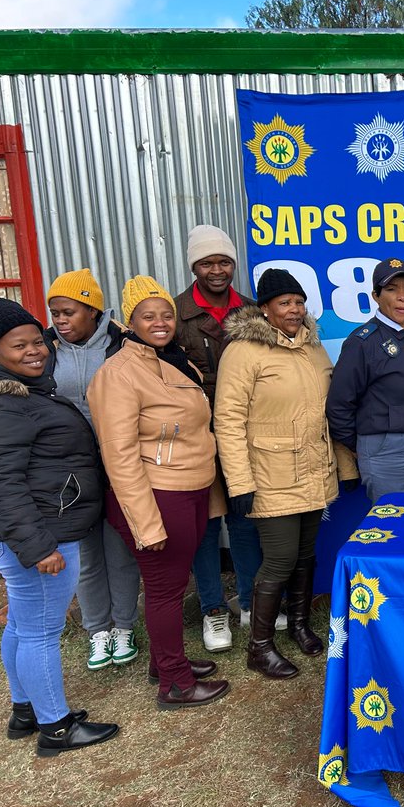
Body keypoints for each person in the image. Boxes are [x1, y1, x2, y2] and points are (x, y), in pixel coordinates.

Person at [0, 297, 118, 755]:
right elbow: (0, 483)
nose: (34, 351)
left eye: (37, 340)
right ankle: (56, 727)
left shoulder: (22, 392)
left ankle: (26, 711)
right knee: (41, 630)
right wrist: (39, 547)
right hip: (39, 533)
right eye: (18, 345)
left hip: (31, 528)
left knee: (22, 625)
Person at [88, 276, 230, 710]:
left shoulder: (173, 362)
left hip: (187, 489)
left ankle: (164, 662)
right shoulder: (118, 372)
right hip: (157, 495)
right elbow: (119, 454)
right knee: (166, 589)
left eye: (167, 314)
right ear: (128, 322)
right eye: (148, 315)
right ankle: (175, 684)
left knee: (167, 585)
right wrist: (145, 521)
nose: (161, 322)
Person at [215, 267, 359, 679]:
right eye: (284, 303)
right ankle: (260, 647)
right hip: (270, 474)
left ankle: (298, 625)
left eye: (298, 302)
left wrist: (344, 465)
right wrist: (240, 481)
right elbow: (228, 420)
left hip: (314, 471)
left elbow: (330, 414)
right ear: (264, 309)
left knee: (305, 554)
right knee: (278, 558)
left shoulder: (313, 348)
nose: (294, 310)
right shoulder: (243, 351)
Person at [44, 268, 141, 672]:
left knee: (120, 549)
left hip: (115, 462)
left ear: (92, 311)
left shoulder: (122, 344)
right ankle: (97, 630)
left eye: (68, 312)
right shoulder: (45, 348)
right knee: (86, 555)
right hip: (69, 469)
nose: (60, 321)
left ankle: (124, 627)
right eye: (55, 313)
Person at [173, 224, 262, 653]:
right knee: (206, 526)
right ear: (194, 266)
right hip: (197, 437)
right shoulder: (175, 313)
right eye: (207, 262)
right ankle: (213, 609)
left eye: (224, 261)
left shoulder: (252, 310)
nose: (217, 270)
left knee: (245, 519)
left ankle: (250, 602)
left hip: (245, 433)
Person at [327, 258, 404, 502]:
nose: (402, 297)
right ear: (376, 296)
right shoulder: (363, 342)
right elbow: (338, 404)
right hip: (388, 450)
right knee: (396, 528)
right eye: (392, 289)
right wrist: (366, 444)